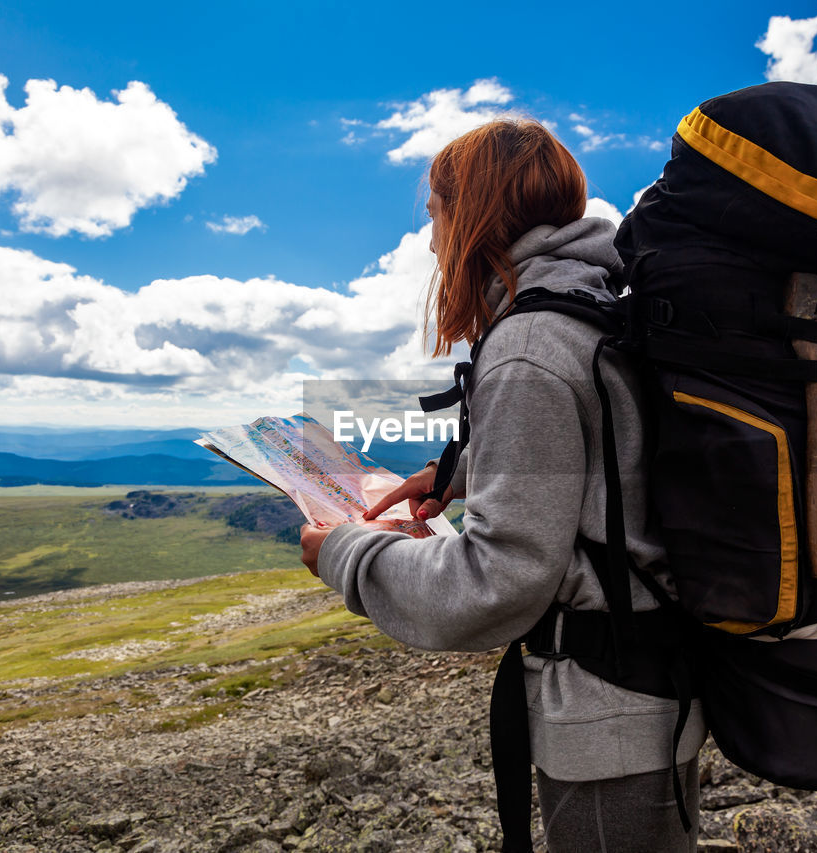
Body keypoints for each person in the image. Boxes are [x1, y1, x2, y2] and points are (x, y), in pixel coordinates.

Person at [300, 119, 705, 852]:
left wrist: (343, 553)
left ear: (475, 215)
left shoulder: (529, 346)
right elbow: (604, 460)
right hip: (650, 696)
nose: (430, 240)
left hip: (608, 719)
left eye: (435, 212)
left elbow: (500, 578)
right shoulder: (595, 306)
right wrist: (462, 471)